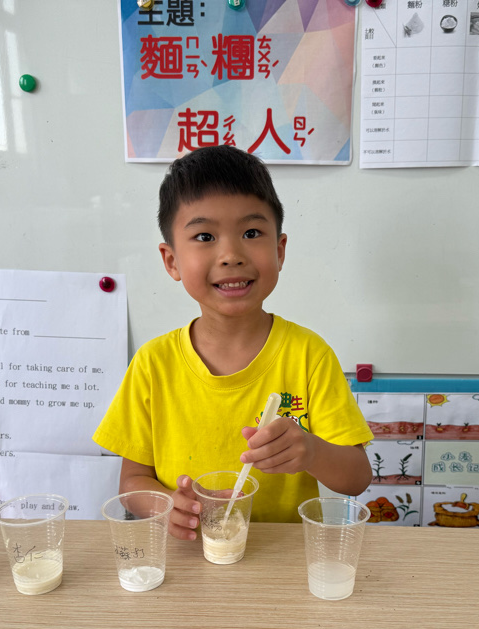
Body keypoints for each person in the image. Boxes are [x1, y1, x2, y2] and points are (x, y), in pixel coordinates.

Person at [94, 145, 372, 540]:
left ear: (279, 250)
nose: (231, 255)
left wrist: (311, 451)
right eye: (205, 236)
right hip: (190, 558)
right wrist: (168, 505)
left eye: (251, 233)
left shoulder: (309, 355)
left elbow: (357, 478)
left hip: (283, 560)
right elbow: (132, 482)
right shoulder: (153, 363)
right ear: (171, 261)